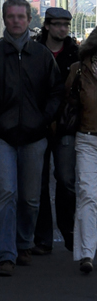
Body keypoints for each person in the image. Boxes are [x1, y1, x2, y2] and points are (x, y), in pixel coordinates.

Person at [0, 0, 64, 277]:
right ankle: (6, 254)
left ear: (29, 19)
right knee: (6, 192)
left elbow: (56, 92)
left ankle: (24, 243)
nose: (16, 21)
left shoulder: (42, 56)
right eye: (11, 16)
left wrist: (43, 119)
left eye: (21, 16)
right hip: (1, 137)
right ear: (4, 19)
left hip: (35, 137)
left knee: (31, 198)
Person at [33, 7, 79, 255]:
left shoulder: (76, 54)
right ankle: (43, 239)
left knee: (66, 180)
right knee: (38, 184)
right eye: (59, 24)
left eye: (67, 25)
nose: (63, 29)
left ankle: (68, 230)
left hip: (65, 127)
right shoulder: (34, 52)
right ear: (48, 26)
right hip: (38, 126)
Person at [68, 27, 97, 274]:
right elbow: (66, 101)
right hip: (86, 140)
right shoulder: (79, 70)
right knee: (88, 194)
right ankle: (87, 254)